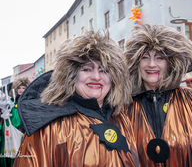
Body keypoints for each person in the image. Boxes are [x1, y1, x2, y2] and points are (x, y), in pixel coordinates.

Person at [13, 30, 139, 167]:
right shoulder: (49, 128)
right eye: (86, 69)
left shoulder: (122, 117)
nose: (96, 77)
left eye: (104, 70)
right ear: (70, 76)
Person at [125, 23, 192, 166]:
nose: (152, 64)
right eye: (145, 57)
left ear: (170, 63)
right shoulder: (123, 107)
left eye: (160, 58)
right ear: (136, 63)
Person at [0, 77, 30, 167]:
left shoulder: (28, 102)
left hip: (21, 134)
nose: (21, 90)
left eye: (23, 88)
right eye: (19, 88)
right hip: (7, 132)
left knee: (19, 154)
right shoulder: (10, 101)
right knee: (6, 153)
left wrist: (22, 129)